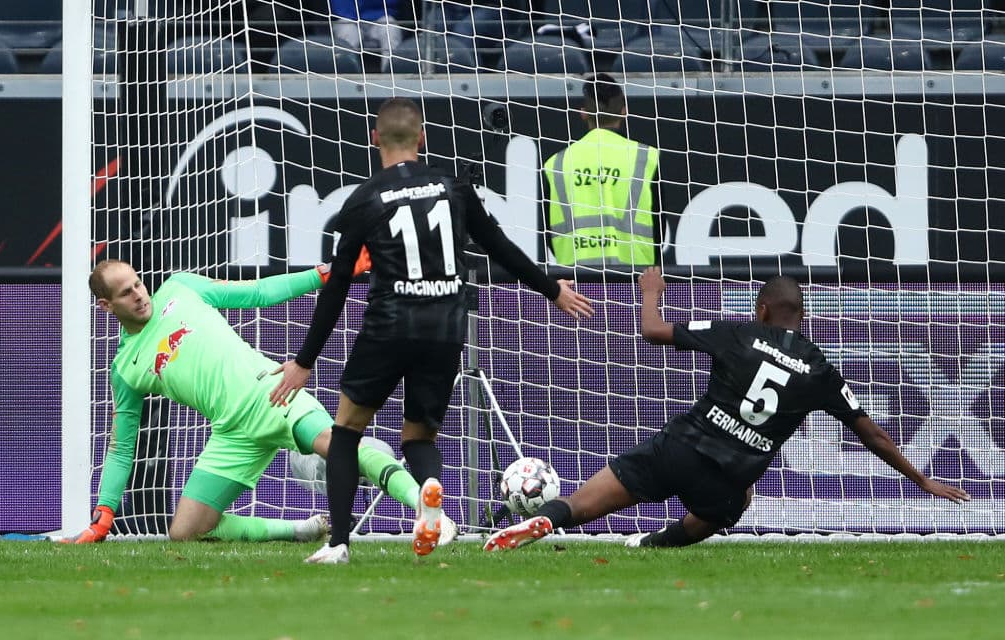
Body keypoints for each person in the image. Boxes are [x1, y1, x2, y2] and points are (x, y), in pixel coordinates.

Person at [270, 97, 594, 564]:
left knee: (345, 432)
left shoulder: (363, 200)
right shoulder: (452, 187)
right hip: (445, 327)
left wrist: (303, 362)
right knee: (419, 438)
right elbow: (499, 245)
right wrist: (551, 290)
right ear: (422, 138)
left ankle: (339, 542)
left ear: (374, 139)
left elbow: (338, 285)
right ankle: (431, 498)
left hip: (389, 326)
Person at [484, 268, 971, 551]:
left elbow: (653, 330)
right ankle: (650, 546)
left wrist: (651, 290)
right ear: (801, 317)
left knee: (584, 503)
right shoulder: (819, 370)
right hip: (725, 482)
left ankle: (547, 519)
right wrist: (921, 480)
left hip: (677, 449)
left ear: (761, 309)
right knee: (735, 505)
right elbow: (873, 434)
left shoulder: (739, 333)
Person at [63, 256, 458, 546]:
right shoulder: (125, 368)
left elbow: (256, 293)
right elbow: (121, 446)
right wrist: (104, 514)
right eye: (125, 292)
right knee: (185, 531)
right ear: (106, 306)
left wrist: (324, 274)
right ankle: (299, 530)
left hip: (270, 393)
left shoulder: (180, 288)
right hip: (231, 433)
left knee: (335, 445)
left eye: (138, 283)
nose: (138, 295)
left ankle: (426, 510)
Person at [543, 72, 663, 268]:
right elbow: (659, 224)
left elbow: (547, 230)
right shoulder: (646, 157)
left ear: (583, 113)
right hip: (635, 279)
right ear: (624, 111)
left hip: (575, 284)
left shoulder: (556, 163)